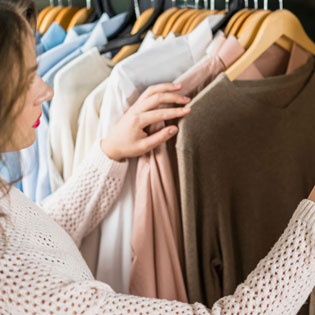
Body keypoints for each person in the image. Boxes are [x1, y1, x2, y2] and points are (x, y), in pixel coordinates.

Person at [0, 2, 315, 314]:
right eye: (27, 78)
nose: (47, 92)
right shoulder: (14, 286)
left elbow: (39, 235)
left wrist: (109, 153)